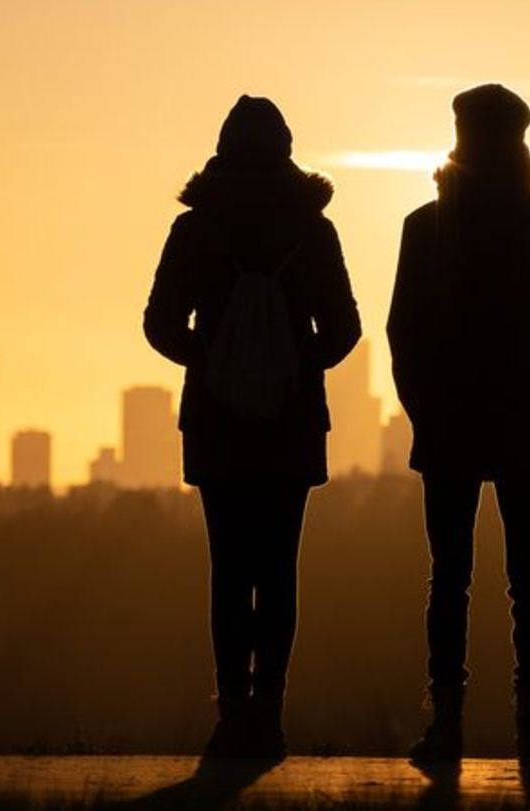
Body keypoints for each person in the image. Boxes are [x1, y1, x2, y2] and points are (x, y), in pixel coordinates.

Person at [144, 95, 361, 761]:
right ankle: (270, 711)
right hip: (291, 426)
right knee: (279, 567)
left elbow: (158, 324)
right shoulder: (312, 230)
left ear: (223, 149)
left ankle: (231, 711)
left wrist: (211, 362)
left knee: (229, 569)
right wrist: (296, 366)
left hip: (215, 425)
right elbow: (346, 329)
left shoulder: (195, 228)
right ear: (286, 151)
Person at [387, 84, 530, 771]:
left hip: (449, 428)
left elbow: (401, 332)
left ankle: (445, 725)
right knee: (529, 576)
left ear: (459, 136)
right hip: (524, 428)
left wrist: (424, 411)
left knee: (449, 577)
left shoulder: (425, 225)